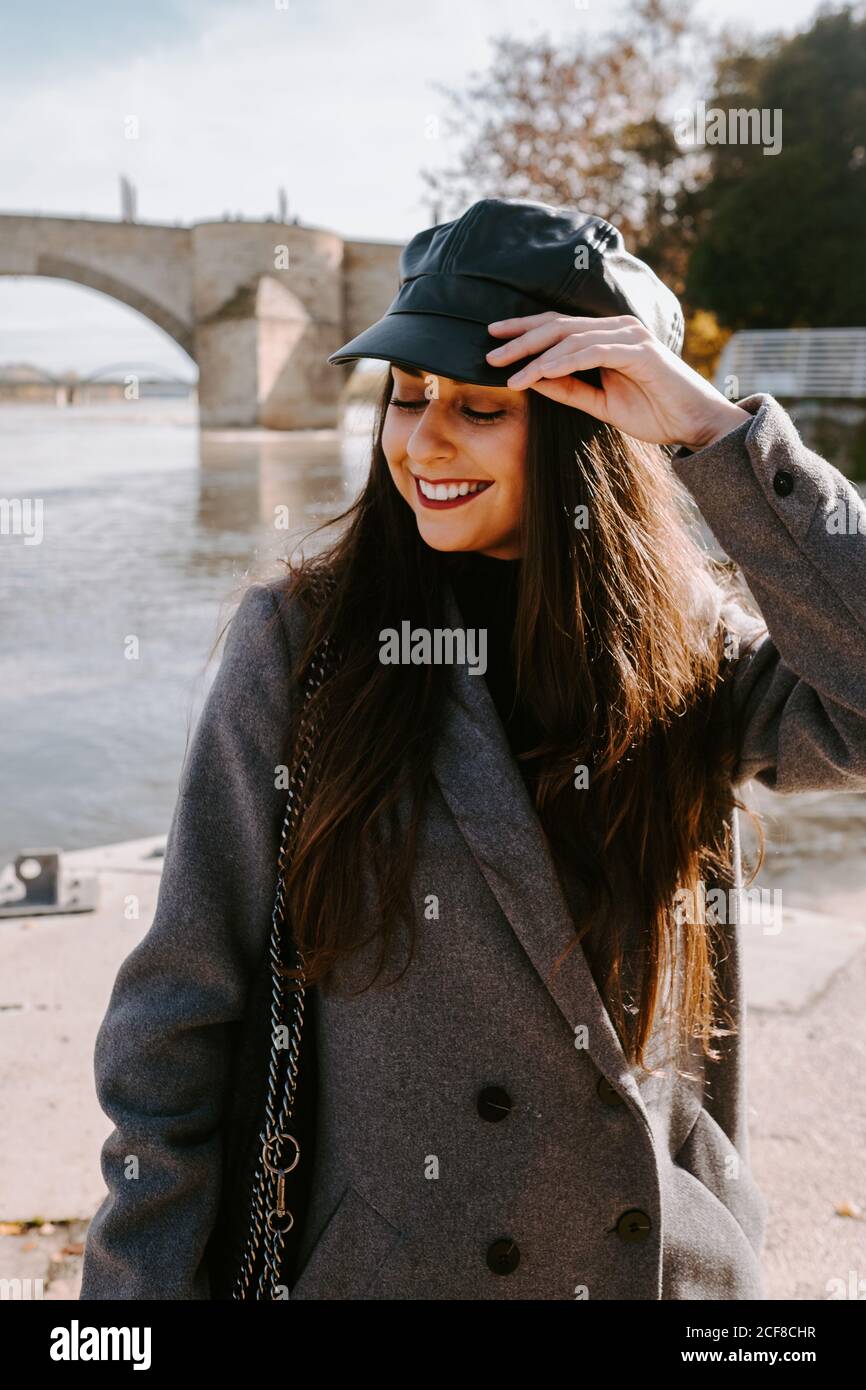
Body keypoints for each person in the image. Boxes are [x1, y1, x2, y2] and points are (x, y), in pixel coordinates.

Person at [79, 198, 866, 1301]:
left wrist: (712, 435)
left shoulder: (688, 654)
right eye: (407, 394)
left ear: (588, 428)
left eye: (481, 405)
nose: (423, 440)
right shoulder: (303, 646)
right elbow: (175, 1015)